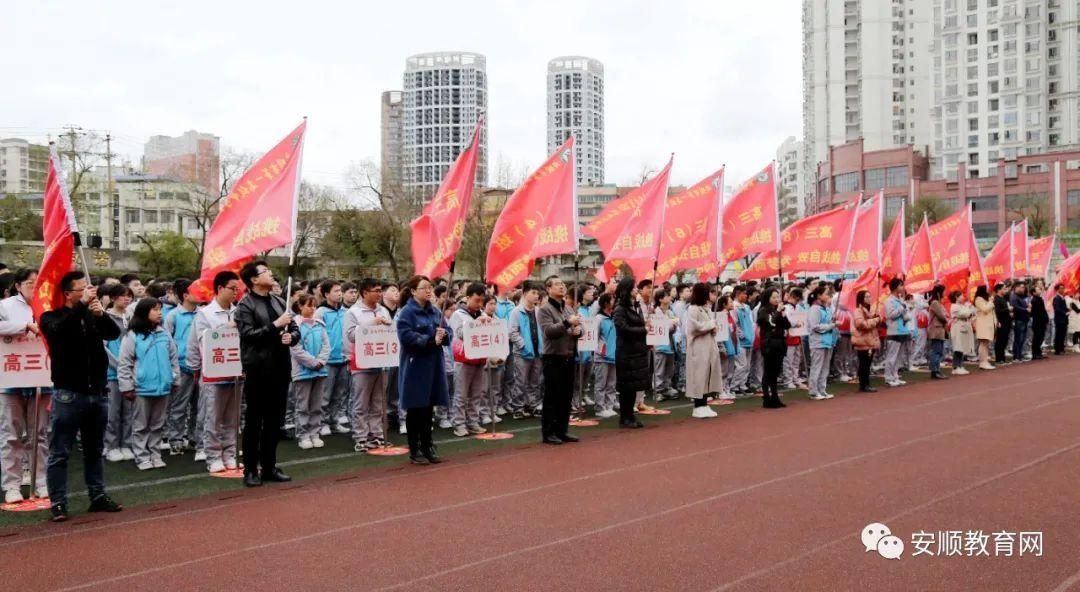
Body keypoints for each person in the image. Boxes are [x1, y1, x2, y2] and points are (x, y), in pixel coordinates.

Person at [40, 271, 123, 522]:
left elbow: (113, 333)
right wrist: (83, 307)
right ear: (68, 294)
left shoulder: (91, 314)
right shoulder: (52, 317)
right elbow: (59, 333)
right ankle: (58, 502)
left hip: (97, 392)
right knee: (60, 452)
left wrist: (99, 315)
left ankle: (97, 496)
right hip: (68, 393)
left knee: (94, 449)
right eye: (81, 290)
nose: (89, 293)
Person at [234, 261, 299, 488]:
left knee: (275, 421)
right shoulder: (245, 305)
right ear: (253, 280)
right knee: (254, 421)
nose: (271, 274)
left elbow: (293, 327)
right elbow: (248, 335)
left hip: (281, 367)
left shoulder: (279, 300)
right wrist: (274, 326)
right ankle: (251, 469)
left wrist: (292, 336)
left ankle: (269, 466)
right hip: (258, 369)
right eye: (265, 271)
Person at [0, 269, 50, 502]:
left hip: (42, 377)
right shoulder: (6, 305)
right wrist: (26, 326)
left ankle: (40, 481)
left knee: (39, 434)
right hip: (12, 379)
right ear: (18, 285)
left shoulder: (49, 304)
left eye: (38, 282)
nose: (34, 286)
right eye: (30, 283)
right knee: (10, 435)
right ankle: (11, 485)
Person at [186, 270, 242, 474]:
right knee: (213, 417)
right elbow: (198, 343)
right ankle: (212, 456)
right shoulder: (205, 314)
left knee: (232, 418)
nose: (236, 292)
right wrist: (195, 369)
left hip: (235, 373)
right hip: (213, 374)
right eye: (232, 288)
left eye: (238, 289)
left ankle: (230, 454)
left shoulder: (239, 312)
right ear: (219, 288)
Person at [395, 275, 451, 465]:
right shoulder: (406, 313)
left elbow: (447, 331)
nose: (429, 291)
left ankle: (428, 445)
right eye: (424, 287)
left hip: (434, 364)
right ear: (413, 291)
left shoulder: (435, 311)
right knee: (416, 408)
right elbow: (406, 337)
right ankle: (414, 449)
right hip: (415, 365)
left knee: (428, 408)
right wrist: (428, 340)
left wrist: (444, 335)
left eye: (430, 287)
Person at [119, 298, 179, 471]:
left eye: (160, 309)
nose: (159, 312)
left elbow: (173, 359)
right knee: (140, 425)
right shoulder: (132, 336)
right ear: (144, 312)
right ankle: (142, 456)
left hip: (163, 387)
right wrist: (127, 386)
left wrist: (175, 379)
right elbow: (125, 363)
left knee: (158, 424)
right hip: (142, 388)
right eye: (155, 309)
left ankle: (155, 453)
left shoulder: (164, 334)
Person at [344, 278, 393, 451]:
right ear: (365, 292)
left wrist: (388, 325)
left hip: (382, 360)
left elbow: (392, 333)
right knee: (361, 402)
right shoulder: (354, 312)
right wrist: (372, 324)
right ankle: (361, 437)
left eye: (380, 290)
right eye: (376, 291)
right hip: (362, 363)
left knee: (378, 402)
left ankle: (376, 434)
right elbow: (350, 335)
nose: (380, 294)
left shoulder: (384, 311)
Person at [537, 276, 582, 444]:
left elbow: (577, 328)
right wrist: (567, 323)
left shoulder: (569, 309)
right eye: (557, 284)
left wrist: (579, 331)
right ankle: (548, 432)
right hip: (553, 358)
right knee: (552, 396)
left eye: (562, 284)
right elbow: (549, 332)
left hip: (569, 356)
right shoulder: (545, 309)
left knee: (566, 396)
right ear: (548, 289)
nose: (561, 287)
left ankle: (562, 430)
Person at [163, 279, 200, 458]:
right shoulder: (173, 316)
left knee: (199, 405)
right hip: (182, 366)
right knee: (179, 405)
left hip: (201, 367)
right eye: (196, 291)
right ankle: (175, 438)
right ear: (185, 295)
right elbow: (167, 342)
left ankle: (194, 437)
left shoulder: (202, 314)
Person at [448, 282, 489, 438]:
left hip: (479, 359)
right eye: (476, 300)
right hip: (463, 359)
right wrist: (474, 325)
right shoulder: (458, 314)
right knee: (461, 394)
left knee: (476, 393)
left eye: (481, 301)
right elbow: (458, 334)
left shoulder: (483, 314)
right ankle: (459, 423)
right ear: (467, 298)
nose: (479, 304)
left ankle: (473, 422)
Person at [290, 294, 330, 450]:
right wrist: (313, 362)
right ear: (300, 306)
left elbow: (326, 346)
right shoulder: (295, 325)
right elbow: (296, 349)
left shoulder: (319, 324)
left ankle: (315, 433)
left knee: (316, 405)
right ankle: (303, 434)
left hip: (320, 371)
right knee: (303, 406)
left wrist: (321, 361)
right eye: (309, 305)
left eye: (314, 305)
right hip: (302, 372)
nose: (312, 309)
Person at [102, 284, 135, 463]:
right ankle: (111, 445)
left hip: (130, 372)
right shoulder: (105, 318)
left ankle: (126, 444)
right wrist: (119, 365)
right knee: (113, 412)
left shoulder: (131, 318)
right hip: (112, 373)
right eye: (122, 296)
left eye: (129, 296)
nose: (126, 299)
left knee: (128, 411)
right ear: (113, 298)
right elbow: (104, 348)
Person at [314, 280, 350, 436]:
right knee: (325, 395)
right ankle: (321, 423)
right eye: (335, 291)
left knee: (339, 394)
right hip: (328, 360)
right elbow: (317, 336)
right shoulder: (320, 312)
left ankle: (334, 421)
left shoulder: (345, 312)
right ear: (326, 294)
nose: (339, 293)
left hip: (343, 358)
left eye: (340, 290)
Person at [612, 278, 648, 429]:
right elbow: (623, 328)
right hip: (626, 352)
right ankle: (625, 416)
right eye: (633, 287)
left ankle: (629, 415)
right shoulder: (620, 309)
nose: (636, 290)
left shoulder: (635, 306)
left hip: (637, 351)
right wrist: (642, 329)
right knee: (626, 387)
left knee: (633, 386)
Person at [684, 283, 722, 417]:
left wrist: (713, 328)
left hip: (709, 346)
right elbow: (693, 328)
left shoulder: (706, 308)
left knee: (707, 375)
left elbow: (708, 326)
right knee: (699, 376)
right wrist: (710, 325)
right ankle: (698, 405)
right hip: (698, 348)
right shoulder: (693, 309)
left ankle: (704, 404)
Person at [507, 283, 543, 419]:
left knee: (535, 381)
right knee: (520, 381)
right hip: (522, 353)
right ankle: (518, 406)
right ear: (524, 294)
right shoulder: (517, 311)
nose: (536, 296)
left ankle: (532, 405)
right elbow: (512, 332)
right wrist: (523, 346)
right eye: (533, 293)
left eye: (537, 293)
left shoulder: (539, 311)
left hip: (537, 351)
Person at [757, 287, 791, 409]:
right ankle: (767, 398)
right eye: (774, 297)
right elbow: (770, 323)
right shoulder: (763, 310)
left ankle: (775, 397)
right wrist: (777, 312)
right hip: (769, 344)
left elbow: (787, 325)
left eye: (778, 297)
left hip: (780, 343)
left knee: (775, 372)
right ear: (768, 298)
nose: (777, 299)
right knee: (768, 371)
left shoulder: (778, 310)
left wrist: (782, 314)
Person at [807, 286, 837, 400]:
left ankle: (822, 389)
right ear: (819, 296)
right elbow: (815, 326)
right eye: (826, 294)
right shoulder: (814, 309)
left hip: (828, 341)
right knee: (817, 367)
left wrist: (833, 322)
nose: (828, 296)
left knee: (825, 367)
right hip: (818, 342)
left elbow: (829, 322)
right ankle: (813, 391)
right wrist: (830, 325)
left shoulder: (827, 308)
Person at [592, 293, 618, 418]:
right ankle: (600, 407)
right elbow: (594, 337)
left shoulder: (613, 317)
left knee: (611, 384)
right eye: (612, 299)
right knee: (601, 384)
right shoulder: (598, 319)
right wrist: (600, 350)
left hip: (613, 355)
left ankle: (609, 405)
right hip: (602, 356)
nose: (614, 301)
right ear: (606, 303)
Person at [851, 289, 881, 392]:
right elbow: (861, 324)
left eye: (869, 296)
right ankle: (864, 384)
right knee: (864, 363)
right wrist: (875, 320)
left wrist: (878, 317)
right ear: (861, 299)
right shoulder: (858, 311)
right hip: (862, 341)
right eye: (866, 297)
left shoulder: (870, 310)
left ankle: (866, 383)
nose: (869, 298)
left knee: (867, 364)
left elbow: (877, 322)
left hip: (870, 341)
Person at [651, 290, 678, 401]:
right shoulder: (655, 312)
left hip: (670, 344)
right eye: (666, 296)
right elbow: (660, 328)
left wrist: (672, 325)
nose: (669, 298)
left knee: (669, 369)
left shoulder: (670, 312)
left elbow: (673, 328)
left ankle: (667, 387)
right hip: (659, 345)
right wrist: (671, 324)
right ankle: (658, 390)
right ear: (660, 299)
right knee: (659, 369)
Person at [883, 279, 911, 387]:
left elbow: (905, 312)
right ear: (895, 287)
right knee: (892, 356)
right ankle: (888, 377)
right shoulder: (889, 301)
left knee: (899, 356)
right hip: (894, 331)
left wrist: (906, 314)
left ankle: (895, 375)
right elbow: (891, 315)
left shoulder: (900, 300)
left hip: (903, 330)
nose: (903, 287)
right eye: (901, 285)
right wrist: (901, 308)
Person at [948, 290, 976, 375]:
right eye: (961, 296)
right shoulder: (954, 306)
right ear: (956, 297)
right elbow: (965, 314)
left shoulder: (962, 305)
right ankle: (956, 367)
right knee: (958, 347)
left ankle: (960, 365)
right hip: (958, 328)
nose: (963, 297)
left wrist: (969, 310)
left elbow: (972, 312)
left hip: (964, 327)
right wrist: (969, 310)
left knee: (962, 347)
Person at [926, 285, 949, 380]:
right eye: (943, 291)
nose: (944, 293)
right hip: (936, 329)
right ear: (939, 293)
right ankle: (934, 371)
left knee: (938, 350)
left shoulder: (938, 303)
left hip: (939, 329)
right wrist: (946, 318)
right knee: (936, 351)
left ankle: (936, 370)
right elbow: (942, 316)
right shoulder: (935, 303)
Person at [973, 285, 997, 370]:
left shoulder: (986, 299)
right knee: (983, 343)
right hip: (982, 324)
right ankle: (982, 362)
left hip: (988, 324)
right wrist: (990, 302)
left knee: (986, 343)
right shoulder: (978, 299)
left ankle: (985, 360)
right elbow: (985, 309)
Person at [1010, 283, 1030, 362]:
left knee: (1022, 339)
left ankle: (1019, 355)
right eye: (1022, 287)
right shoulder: (1014, 296)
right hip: (1019, 320)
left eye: (1024, 288)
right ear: (1017, 287)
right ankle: (1016, 356)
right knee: (1018, 338)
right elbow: (1015, 307)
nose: (1023, 289)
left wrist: (1027, 307)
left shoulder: (1021, 297)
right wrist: (1026, 310)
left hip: (1024, 319)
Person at [993, 283, 1012, 364]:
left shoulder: (1003, 298)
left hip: (1006, 322)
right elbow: (997, 311)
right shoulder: (996, 299)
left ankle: (1002, 357)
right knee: (1000, 341)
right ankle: (999, 358)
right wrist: (1008, 309)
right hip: (1001, 322)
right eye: (1004, 289)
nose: (1005, 290)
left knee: (1004, 340)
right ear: (999, 290)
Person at [1030, 283, 1049, 360]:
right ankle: (1035, 354)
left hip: (1042, 321)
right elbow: (1037, 312)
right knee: (1037, 338)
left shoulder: (1039, 299)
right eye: (1038, 289)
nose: (1040, 290)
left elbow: (1043, 311)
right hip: (1038, 322)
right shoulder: (1034, 300)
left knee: (1040, 338)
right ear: (1034, 292)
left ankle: (1038, 352)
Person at [1052, 285, 1069, 355]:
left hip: (1064, 319)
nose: (1062, 290)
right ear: (1057, 290)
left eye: (1063, 288)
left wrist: (1068, 310)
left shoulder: (1062, 298)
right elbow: (1057, 308)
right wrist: (1065, 313)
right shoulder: (1056, 298)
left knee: (1063, 334)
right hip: (1059, 319)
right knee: (1058, 334)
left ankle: (1061, 348)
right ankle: (1057, 349)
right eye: (1061, 288)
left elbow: (1063, 307)